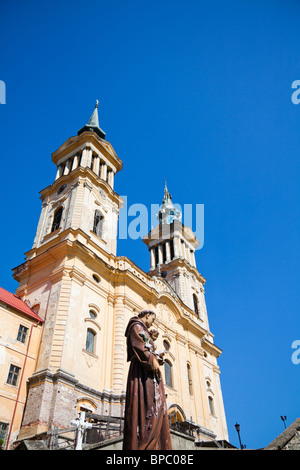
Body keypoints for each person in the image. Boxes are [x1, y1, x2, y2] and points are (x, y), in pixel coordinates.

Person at [123, 310, 172, 450]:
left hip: (149, 375)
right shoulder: (135, 325)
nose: (153, 322)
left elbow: (146, 347)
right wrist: (151, 359)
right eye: (153, 319)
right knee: (147, 408)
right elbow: (139, 346)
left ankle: (155, 444)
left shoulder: (143, 329)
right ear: (147, 315)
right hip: (141, 375)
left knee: (155, 407)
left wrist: (155, 355)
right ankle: (145, 445)